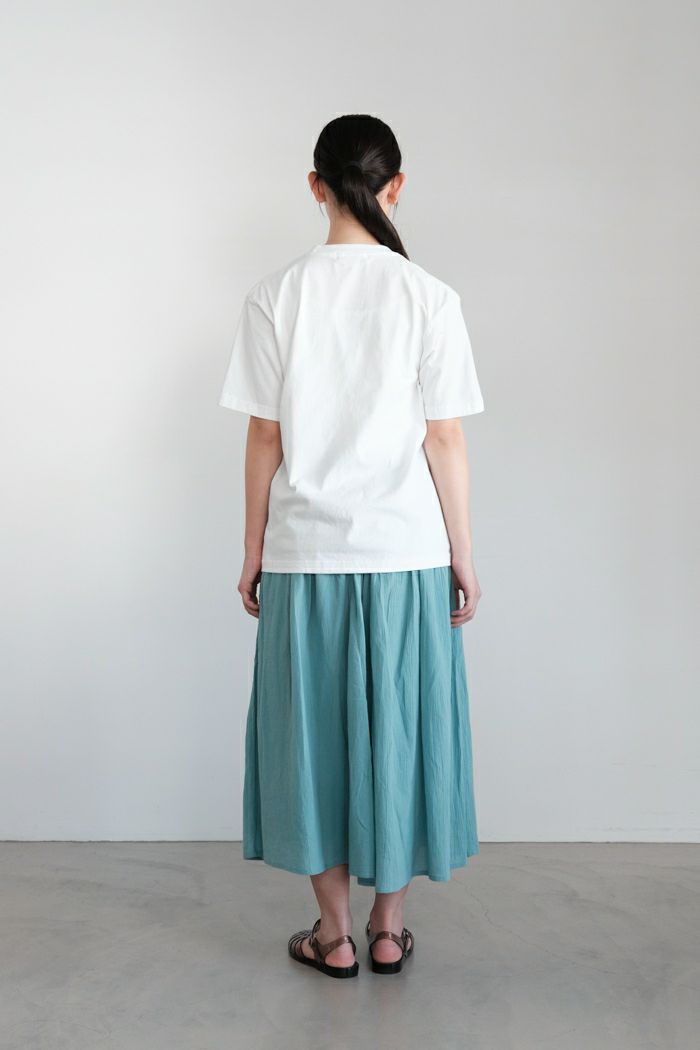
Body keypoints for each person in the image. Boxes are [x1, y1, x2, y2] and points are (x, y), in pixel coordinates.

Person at [219, 114, 485, 978]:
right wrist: (462, 552)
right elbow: (444, 437)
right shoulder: (430, 296)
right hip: (406, 553)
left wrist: (253, 547)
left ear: (315, 186)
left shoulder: (276, 295)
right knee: (401, 733)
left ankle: (331, 936)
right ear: (396, 187)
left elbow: (266, 434)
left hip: (306, 555)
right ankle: (387, 928)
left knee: (312, 740)